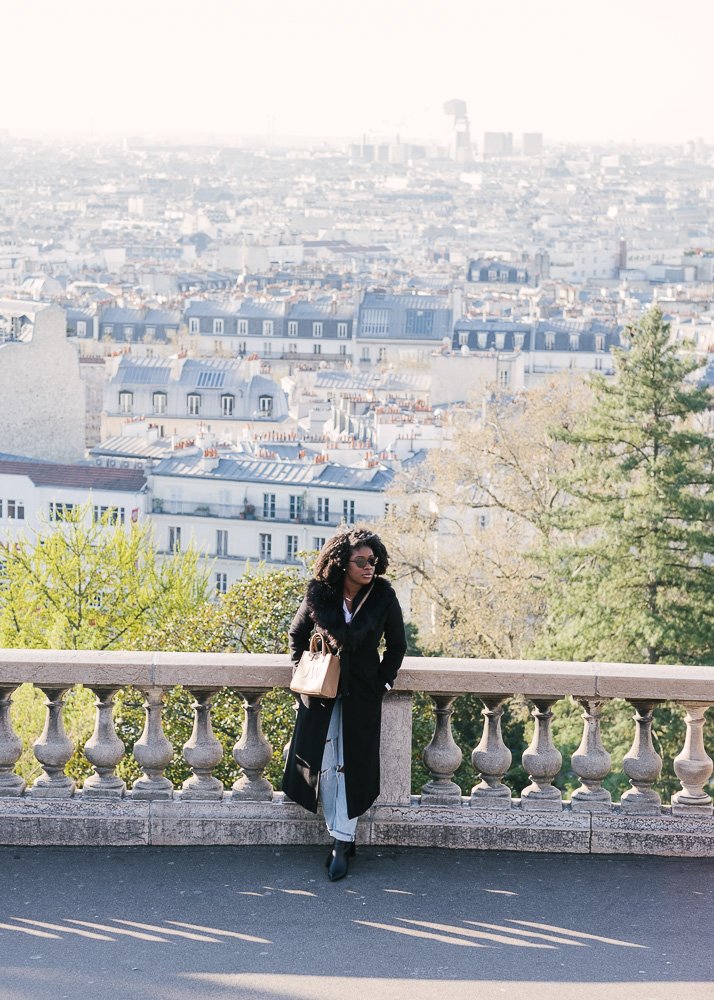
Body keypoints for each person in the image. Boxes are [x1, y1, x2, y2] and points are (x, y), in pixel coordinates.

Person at [282, 527, 407, 881]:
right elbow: (296, 635)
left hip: (363, 693)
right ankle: (340, 834)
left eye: (374, 560)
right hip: (321, 692)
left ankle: (340, 842)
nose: (370, 567)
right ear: (342, 563)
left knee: (350, 765)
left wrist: (382, 681)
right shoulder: (320, 594)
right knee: (322, 762)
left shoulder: (383, 596)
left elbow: (397, 645)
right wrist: (301, 672)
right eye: (361, 561)